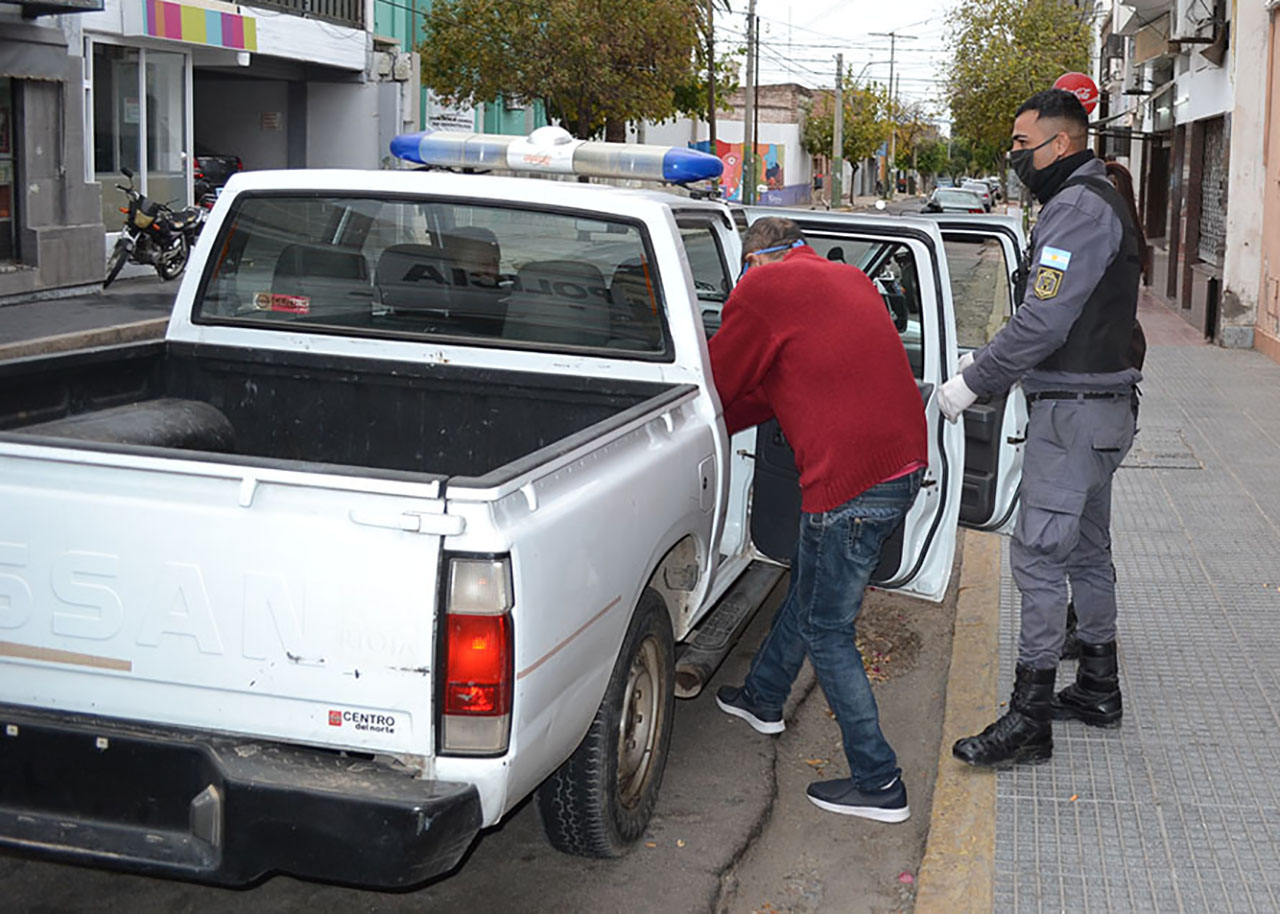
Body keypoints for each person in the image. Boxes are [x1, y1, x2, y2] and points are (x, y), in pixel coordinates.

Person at [938, 89, 1142, 768]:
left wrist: (972, 380)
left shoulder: (1079, 209)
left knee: (1037, 556)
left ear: (1060, 143)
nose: (1016, 157)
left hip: (1076, 412)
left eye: (1023, 145)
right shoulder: (1089, 200)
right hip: (1100, 408)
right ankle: (1097, 687)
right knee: (1085, 550)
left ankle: (1029, 718)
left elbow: (1043, 321)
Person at [709, 216, 928, 821]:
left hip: (850, 484)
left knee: (829, 629)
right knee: (810, 583)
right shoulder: (848, 280)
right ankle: (763, 697)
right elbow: (784, 383)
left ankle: (879, 781)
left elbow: (717, 383)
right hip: (903, 467)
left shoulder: (762, 289)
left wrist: (694, 424)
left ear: (757, 259)